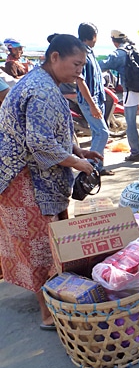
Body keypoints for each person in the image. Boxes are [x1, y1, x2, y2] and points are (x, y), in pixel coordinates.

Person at [0, 34, 103, 330]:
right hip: (23, 178)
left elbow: (57, 128)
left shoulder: (47, 84)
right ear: (54, 57)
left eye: (83, 66)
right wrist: (77, 163)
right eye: (76, 64)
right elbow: (41, 143)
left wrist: (78, 149)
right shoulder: (41, 89)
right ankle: (47, 311)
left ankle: (61, 296)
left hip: (38, 175)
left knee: (55, 239)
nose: (79, 71)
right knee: (41, 247)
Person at [100, 30, 139, 162]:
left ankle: (136, 153)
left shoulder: (118, 53)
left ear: (114, 41)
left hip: (131, 91)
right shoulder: (138, 49)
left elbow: (103, 66)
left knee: (131, 123)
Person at [75, 23, 114, 176]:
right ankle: (90, 168)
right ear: (93, 36)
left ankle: (99, 166)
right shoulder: (81, 53)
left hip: (98, 97)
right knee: (103, 133)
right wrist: (92, 105)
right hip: (90, 100)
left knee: (98, 133)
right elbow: (80, 80)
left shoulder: (89, 52)